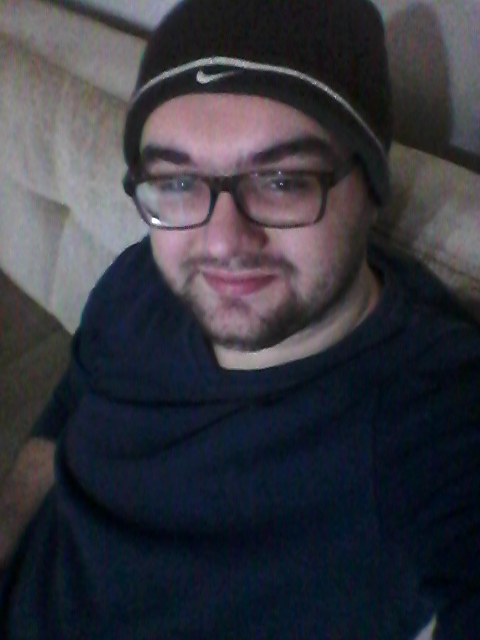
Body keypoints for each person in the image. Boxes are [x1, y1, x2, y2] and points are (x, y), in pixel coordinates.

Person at [0, 0, 479, 637]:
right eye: (177, 181)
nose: (222, 242)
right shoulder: (143, 275)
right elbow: (74, 399)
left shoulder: (432, 416)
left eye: (281, 180)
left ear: (371, 190)